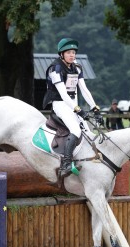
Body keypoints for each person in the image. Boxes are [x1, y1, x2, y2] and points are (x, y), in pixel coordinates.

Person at [43, 37, 103, 177]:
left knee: (87, 131)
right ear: (61, 54)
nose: (72, 55)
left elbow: (84, 89)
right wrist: (79, 110)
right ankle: (65, 164)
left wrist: (95, 107)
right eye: (69, 52)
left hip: (72, 104)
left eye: (74, 53)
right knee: (76, 130)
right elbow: (63, 94)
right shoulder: (55, 69)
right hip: (60, 104)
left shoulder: (76, 67)